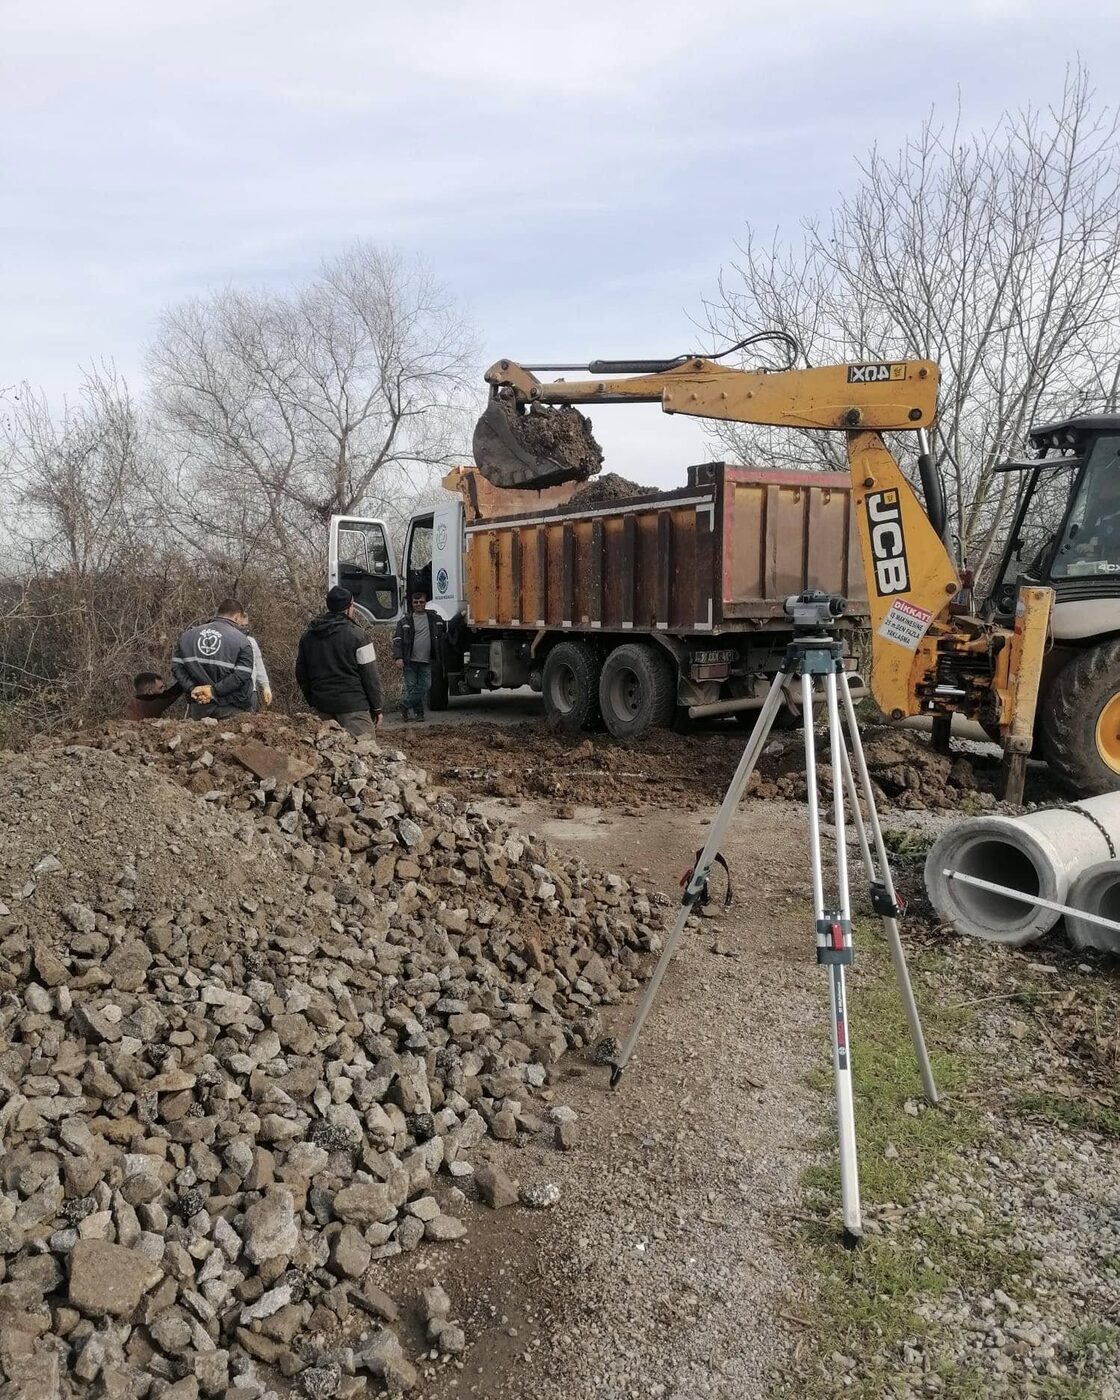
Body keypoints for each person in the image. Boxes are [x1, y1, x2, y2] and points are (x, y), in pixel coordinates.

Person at [295, 585, 384, 739]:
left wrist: (314, 700)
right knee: (364, 754)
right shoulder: (359, 635)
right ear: (349, 607)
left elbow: (301, 673)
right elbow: (370, 676)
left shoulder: (308, 636)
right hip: (354, 707)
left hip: (323, 707)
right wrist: (377, 708)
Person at [171, 598, 256, 720]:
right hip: (233, 708)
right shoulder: (242, 641)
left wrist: (192, 688)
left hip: (199, 706)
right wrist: (213, 691)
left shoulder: (187, 636)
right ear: (237, 617)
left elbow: (177, 667)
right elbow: (242, 675)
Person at [392, 589, 446, 722]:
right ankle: (419, 714)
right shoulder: (404, 621)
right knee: (412, 688)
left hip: (427, 660)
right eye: (415, 602)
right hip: (409, 660)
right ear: (412, 604)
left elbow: (444, 633)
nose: (418, 604)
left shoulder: (435, 619)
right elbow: (397, 640)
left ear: (425, 602)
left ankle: (404, 705)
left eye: (421, 601)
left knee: (426, 685)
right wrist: (398, 657)